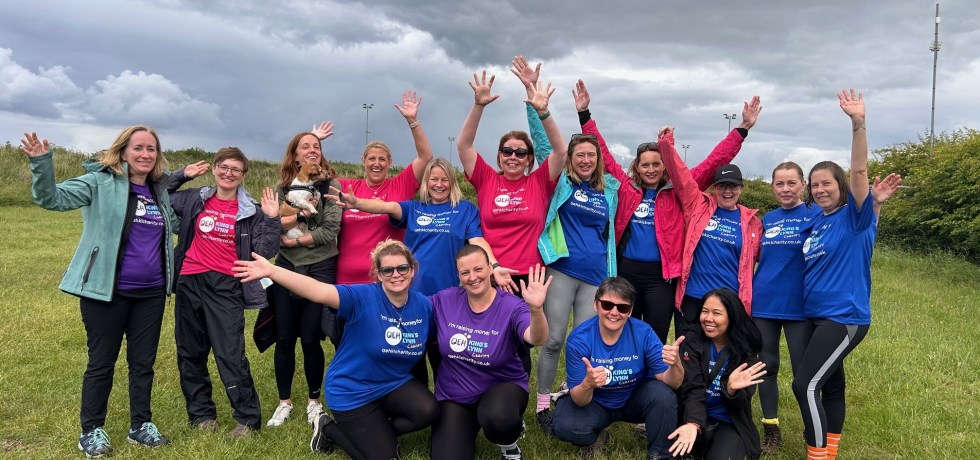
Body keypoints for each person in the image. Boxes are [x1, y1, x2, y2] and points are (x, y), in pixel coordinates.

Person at [22, 128, 206, 457]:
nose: (145, 154)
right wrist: (41, 163)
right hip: (105, 292)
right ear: (123, 152)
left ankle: (141, 425)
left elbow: (181, 225)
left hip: (150, 293)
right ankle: (91, 430)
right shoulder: (99, 182)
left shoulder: (157, 191)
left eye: (152, 149)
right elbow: (51, 199)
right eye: (138, 148)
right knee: (101, 363)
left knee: (143, 363)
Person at [572, 79, 761, 343]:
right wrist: (585, 114)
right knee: (620, 332)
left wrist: (742, 129)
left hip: (661, 278)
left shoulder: (679, 192)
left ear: (665, 166)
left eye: (656, 164)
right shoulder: (625, 188)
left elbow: (714, 162)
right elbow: (601, 151)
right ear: (637, 168)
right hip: (626, 272)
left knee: (655, 338)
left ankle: (653, 383)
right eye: (644, 165)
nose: (650, 170)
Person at [234, 240, 437, 460]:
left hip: (392, 383)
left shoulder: (423, 305)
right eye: (387, 269)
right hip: (352, 390)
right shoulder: (362, 297)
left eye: (402, 268)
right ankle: (329, 429)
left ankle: (375, 430)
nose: (396, 274)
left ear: (412, 270)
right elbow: (318, 291)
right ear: (378, 274)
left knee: (428, 410)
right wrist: (273, 270)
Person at [523, 79, 623, 431]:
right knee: (552, 339)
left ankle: (574, 396)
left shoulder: (609, 188)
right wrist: (536, 106)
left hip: (595, 276)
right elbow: (541, 145)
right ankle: (543, 401)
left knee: (582, 345)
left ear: (597, 161)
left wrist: (588, 116)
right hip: (562, 270)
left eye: (590, 155)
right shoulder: (562, 183)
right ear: (572, 159)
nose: (584, 159)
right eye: (579, 154)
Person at [169, 147, 281, 439]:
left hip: (226, 286)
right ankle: (202, 414)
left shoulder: (251, 211)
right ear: (215, 168)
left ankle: (247, 418)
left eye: (235, 169)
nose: (228, 173)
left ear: (243, 175)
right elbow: (157, 193)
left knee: (230, 353)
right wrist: (181, 175)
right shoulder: (196, 198)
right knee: (190, 351)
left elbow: (265, 252)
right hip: (189, 281)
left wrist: (271, 219)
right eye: (224, 167)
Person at [792, 89, 877, 460]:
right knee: (830, 387)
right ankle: (831, 451)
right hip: (816, 316)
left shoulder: (855, 216)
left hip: (843, 317)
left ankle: (817, 455)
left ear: (841, 185)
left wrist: (858, 124)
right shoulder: (817, 223)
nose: (821, 189)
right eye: (815, 184)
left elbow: (860, 171)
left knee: (804, 385)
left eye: (827, 182)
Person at [428, 246, 550, 460]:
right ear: (458, 275)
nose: (472, 277)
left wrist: (536, 310)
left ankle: (509, 445)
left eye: (478, 269)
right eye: (465, 273)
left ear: (490, 269)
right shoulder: (444, 300)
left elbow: (536, 338)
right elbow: (412, 310)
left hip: (501, 388)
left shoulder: (512, 306)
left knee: (498, 418)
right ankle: (467, 426)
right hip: (455, 396)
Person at [456, 61, 565, 295]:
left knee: (529, 333)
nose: (513, 156)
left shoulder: (539, 181)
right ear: (499, 156)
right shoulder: (487, 179)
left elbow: (560, 152)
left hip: (531, 277)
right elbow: (464, 145)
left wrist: (544, 112)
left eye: (520, 152)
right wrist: (478, 106)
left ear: (529, 159)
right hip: (491, 274)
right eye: (507, 151)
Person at [550, 277, 685, 460]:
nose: (614, 312)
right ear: (595, 305)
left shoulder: (643, 332)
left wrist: (676, 364)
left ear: (630, 311)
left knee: (663, 395)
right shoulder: (579, 339)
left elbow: (674, 383)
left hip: (634, 397)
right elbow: (580, 400)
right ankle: (598, 437)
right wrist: (588, 384)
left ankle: (660, 455)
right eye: (607, 305)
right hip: (596, 402)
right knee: (563, 426)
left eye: (622, 307)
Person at [329, 157, 502, 295]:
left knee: (439, 339)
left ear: (452, 183)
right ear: (426, 182)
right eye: (434, 179)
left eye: (445, 180)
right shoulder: (413, 207)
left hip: (447, 291)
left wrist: (494, 266)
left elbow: (477, 241)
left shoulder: (465, 209)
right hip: (409, 290)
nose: (439, 185)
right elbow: (387, 206)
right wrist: (357, 203)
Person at [265, 131, 342, 428]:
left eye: (317, 147)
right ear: (295, 156)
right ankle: (284, 402)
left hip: (320, 268)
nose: (312, 150)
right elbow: (270, 224)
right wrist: (295, 220)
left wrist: (292, 241)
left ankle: (314, 402)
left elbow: (329, 230)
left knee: (310, 337)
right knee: (284, 338)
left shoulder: (330, 186)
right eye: (305, 147)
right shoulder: (283, 187)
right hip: (286, 269)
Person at [658, 128, 762, 339]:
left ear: (741, 189)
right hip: (693, 299)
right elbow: (681, 176)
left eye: (733, 186)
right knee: (688, 359)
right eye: (722, 186)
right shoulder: (698, 206)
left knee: (724, 361)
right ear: (714, 188)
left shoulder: (753, 223)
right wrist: (666, 144)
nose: (727, 191)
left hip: (729, 303)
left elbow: (769, 259)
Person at [328, 91, 433, 285]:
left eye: (382, 159)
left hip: (389, 280)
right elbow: (313, 173)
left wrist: (413, 121)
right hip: (347, 278)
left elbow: (426, 157)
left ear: (390, 162)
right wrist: (314, 139)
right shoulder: (346, 186)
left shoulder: (401, 185)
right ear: (363, 161)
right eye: (372, 159)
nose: (377, 164)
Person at [669, 288, 766, 460]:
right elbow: (693, 389)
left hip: (729, 421)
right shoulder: (692, 342)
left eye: (717, 313)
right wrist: (693, 423)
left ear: (731, 316)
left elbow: (742, 403)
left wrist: (730, 390)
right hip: (693, 415)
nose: (708, 319)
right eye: (705, 311)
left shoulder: (746, 349)